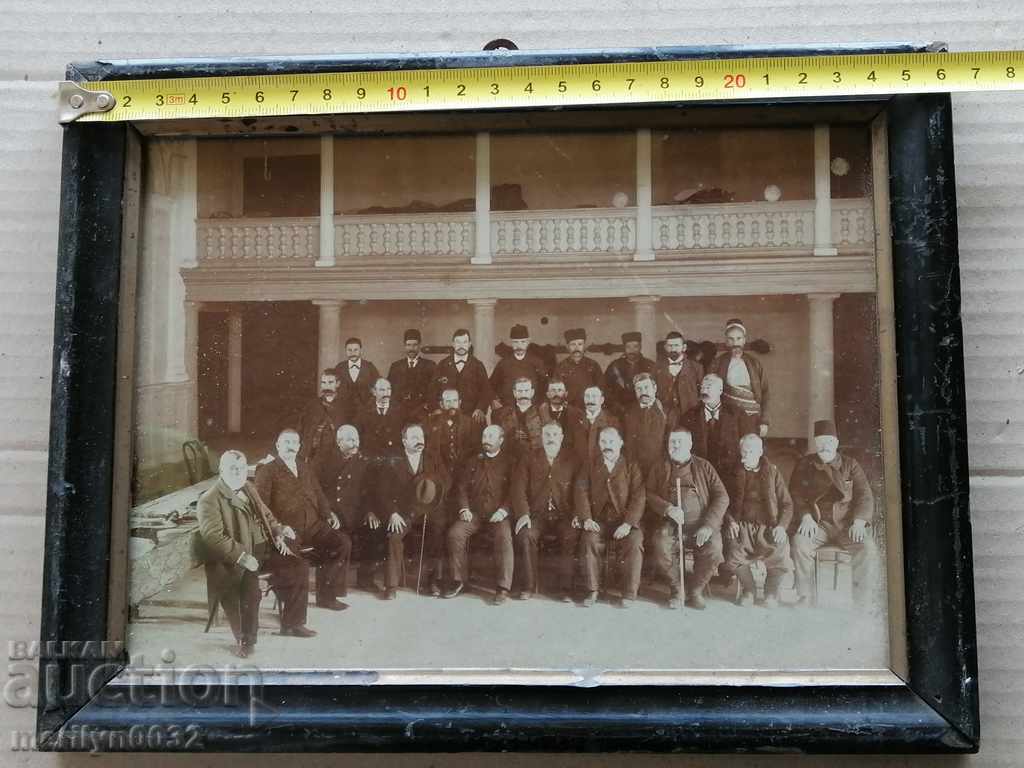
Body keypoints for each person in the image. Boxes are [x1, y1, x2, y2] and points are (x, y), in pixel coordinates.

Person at [196, 450, 313, 655]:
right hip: (236, 557)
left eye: (241, 468)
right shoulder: (209, 499)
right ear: (221, 470)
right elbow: (213, 538)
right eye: (232, 468)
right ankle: (246, 641)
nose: (238, 472)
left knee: (299, 566)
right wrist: (242, 557)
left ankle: (292, 624)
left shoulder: (248, 487)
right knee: (251, 590)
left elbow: (266, 514)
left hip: (262, 549)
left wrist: (278, 531)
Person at [255, 429, 350, 612]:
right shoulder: (267, 471)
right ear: (278, 446)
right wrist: (278, 530)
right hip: (288, 530)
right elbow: (261, 509)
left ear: (299, 446)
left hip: (313, 526)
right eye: (286, 442)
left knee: (342, 543)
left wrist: (329, 513)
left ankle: (326, 596)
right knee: (296, 564)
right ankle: (293, 617)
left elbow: (319, 493)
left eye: (294, 443)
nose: (291, 446)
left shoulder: (305, 467)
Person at [788, 419, 877, 608]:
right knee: (799, 542)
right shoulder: (805, 464)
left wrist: (859, 521)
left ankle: (863, 602)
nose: (824, 446)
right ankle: (804, 596)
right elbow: (795, 494)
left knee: (867, 548)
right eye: (820, 442)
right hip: (817, 524)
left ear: (836, 443)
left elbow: (865, 496)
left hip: (846, 524)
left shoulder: (850, 465)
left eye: (829, 441)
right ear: (815, 443)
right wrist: (805, 516)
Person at [645, 427, 729, 610]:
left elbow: (722, 497)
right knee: (661, 543)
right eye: (672, 442)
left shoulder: (704, 466)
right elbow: (649, 493)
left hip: (702, 524)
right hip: (671, 524)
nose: (675, 445)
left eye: (680, 442)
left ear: (690, 444)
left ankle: (695, 590)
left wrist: (708, 525)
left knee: (714, 548)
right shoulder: (659, 467)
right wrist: (667, 509)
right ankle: (677, 589)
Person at [444, 424, 516, 605]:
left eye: (491, 436)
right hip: (474, 514)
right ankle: (459, 580)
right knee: (455, 534)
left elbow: (514, 491)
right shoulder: (472, 461)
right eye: (484, 436)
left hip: (498, 515)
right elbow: (461, 487)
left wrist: (503, 510)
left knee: (504, 537)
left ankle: (503, 587)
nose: (486, 440)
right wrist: (464, 508)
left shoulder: (510, 462)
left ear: (501, 440)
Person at [376, 423, 450, 599]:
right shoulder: (392, 460)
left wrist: (434, 493)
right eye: (414, 437)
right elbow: (382, 491)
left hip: (430, 510)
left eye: (421, 437)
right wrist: (392, 513)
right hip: (403, 512)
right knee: (394, 536)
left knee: (438, 532)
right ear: (404, 441)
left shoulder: (433, 457)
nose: (419, 441)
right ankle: (391, 586)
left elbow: (447, 481)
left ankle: (431, 582)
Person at [574, 426, 646, 608]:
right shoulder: (590, 465)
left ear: (620, 443)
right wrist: (587, 518)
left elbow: (639, 497)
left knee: (635, 541)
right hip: (598, 521)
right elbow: (580, 490)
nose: (607, 445)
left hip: (624, 522)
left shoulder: (631, 466)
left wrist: (629, 523)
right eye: (603, 441)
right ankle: (593, 590)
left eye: (611, 441)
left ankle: (629, 594)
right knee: (589, 539)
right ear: (598, 444)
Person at [511, 422, 581, 601]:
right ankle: (529, 586)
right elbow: (518, 488)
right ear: (541, 438)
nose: (551, 439)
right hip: (536, 514)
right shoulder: (529, 457)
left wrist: (576, 515)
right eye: (547, 435)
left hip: (564, 515)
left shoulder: (572, 459)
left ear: (562, 437)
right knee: (526, 534)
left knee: (571, 535)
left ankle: (565, 589)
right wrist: (524, 514)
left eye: (555, 435)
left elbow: (580, 490)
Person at [722, 434, 794, 608]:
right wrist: (730, 521)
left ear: (760, 452)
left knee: (780, 550)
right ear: (740, 452)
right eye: (744, 451)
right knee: (733, 552)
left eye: (752, 451)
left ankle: (771, 593)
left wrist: (782, 527)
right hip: (741, 525)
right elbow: (722, 502)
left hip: (768, 526)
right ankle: (749, 590)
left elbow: (787, 504)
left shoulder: (773, 472)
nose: (747, 454)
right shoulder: (731, 473)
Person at [313, 424, 376, 595]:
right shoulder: (324, 460)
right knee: (337, 540)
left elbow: (368, 491)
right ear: (339, 442)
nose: (355, 443)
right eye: (350, 439)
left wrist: (370, 511)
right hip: (329, 514)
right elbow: (314, 491)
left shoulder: (362, 462)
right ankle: (333, 589)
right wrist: (327, 513)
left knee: (375, 530)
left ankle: (366, 580)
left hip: (354, 514)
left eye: (356, 439)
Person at [678, 373, 756, 477]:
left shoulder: (737, 414)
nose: (705, 390)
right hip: (700, 474)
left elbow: (749, 444)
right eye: (703, 387)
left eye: (709, 386)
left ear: (720, 390)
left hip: (731, 474)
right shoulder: (689, 416)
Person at [711, 319, 770, 438]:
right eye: (731, 339)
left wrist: (764, 421)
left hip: (752, 417)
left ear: (744, 340)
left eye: (738, 338)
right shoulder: (717, 363)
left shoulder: (755, 363)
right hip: (727, 418)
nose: (735, 343)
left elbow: (765, 393)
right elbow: (711, 392)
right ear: (726, 341)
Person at [429, 328, 491, 423]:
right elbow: (432, 390)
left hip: (471, 415)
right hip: (446, 415)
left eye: (464, 342)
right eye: (458, 342)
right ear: (453, 344)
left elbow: (486, 391)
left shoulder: (478, 365)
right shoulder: (442, 365)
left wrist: (480, 409)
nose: (461, 346)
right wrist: (436, 408)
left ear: (469, 344)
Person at [489, 323, 548, 410]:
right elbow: (490, 385)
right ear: (511, 343)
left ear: (528, 342)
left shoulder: (537, 362)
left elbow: (546, 385)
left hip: (532, 411)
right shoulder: (503, 363)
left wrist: (542, 404)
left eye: (523, 342)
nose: (519, 346)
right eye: (515, 342)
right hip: (508, 410)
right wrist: (493, 400)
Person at [424, 388, 481, 477]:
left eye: (454, 401)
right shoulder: (431, 424)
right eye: (448, 401)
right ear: (441, 404)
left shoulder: (470, 423)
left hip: (464, 473)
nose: (452, 405)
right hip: (440, 473)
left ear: (460, 402)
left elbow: (476, 451)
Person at [298, 369, 350, 465]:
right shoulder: (313, 405)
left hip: (336, 455)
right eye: (324, 383)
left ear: (337, 384)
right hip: (313, 454)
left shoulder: (346, 407)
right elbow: (302, 429)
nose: (326, 386)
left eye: (330, 382)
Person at [623, 372, 669, 478]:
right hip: (635, 470)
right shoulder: (628, 413)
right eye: (639, 389)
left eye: (646, 387)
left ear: (655, 388)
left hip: (660, 470)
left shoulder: (667, 411)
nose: (643, 392)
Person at [387, 328, 436, 422]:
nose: (411, 348)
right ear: (405, 346)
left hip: (422, 414)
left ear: (419, 346)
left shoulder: (430, 366)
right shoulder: (396, 367)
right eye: (408, 345)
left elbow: (434, 391)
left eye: (415, 345)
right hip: (400, 414)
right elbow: (390, 391)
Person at [654, 331, 704, 422]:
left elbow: (702, 392)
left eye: (676, 345)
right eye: (670, 346)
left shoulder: (696, 368)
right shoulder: (657, 367)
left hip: (690, 414)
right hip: (666, 416)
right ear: (665, 347)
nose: (673, 349)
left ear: (684, 347)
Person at [604, 331, 656, 417]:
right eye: (628, 347)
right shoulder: (614, 366)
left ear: (640, 347)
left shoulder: (650, 366)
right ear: (624, 348)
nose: (632, 350)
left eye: (635, 346)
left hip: (645, 411)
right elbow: (605, 389)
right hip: (619, 413)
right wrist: (615, 407)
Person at [493, 377, 544, 460]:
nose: (523, 394)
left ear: (532, 392)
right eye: (520, 391)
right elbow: (497, 441)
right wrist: (511, 436)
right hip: (510, 460)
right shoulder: (503, 414)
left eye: (526, 391)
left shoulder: (541, 413)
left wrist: (530, 437)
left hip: (535, 460)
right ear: (514, 393)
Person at [354, 378, 405, 460]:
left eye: (389, 389)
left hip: (394, 457)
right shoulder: (363, 412)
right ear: (374, 392)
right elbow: (358, 435)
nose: (386, 393)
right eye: (382, 390)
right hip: (371, 457)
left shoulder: (400, 411)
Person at [537, 377, 587, 458]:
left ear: (566, 393)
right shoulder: (539, 413)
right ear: (547, 394)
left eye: (560, 390)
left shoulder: (576, 414)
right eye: (553, 390)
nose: (556, 394)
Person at [553, 328, 603, 409]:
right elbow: (556, 391)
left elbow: (601, 389)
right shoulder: (560, 367)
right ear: (567, 346)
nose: (577, 348)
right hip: (568, 409)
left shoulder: (593, 365)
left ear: (584, 346)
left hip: (590, 408)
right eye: (573, 344)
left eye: (580, 344)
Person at [334, 337, 380, 414]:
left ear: (361, 351)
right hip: (344, 412)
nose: (352, 353)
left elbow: (378, 389)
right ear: (345, 351)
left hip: (366, 412)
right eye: (349, 350)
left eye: (356, 350)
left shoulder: (370, 367)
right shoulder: (339, 368)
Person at [578, 385, 621, 464]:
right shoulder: (576, 420)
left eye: (594, 396)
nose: (590, 400)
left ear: (601, 400)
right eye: (587, 396)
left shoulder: (612, 421)